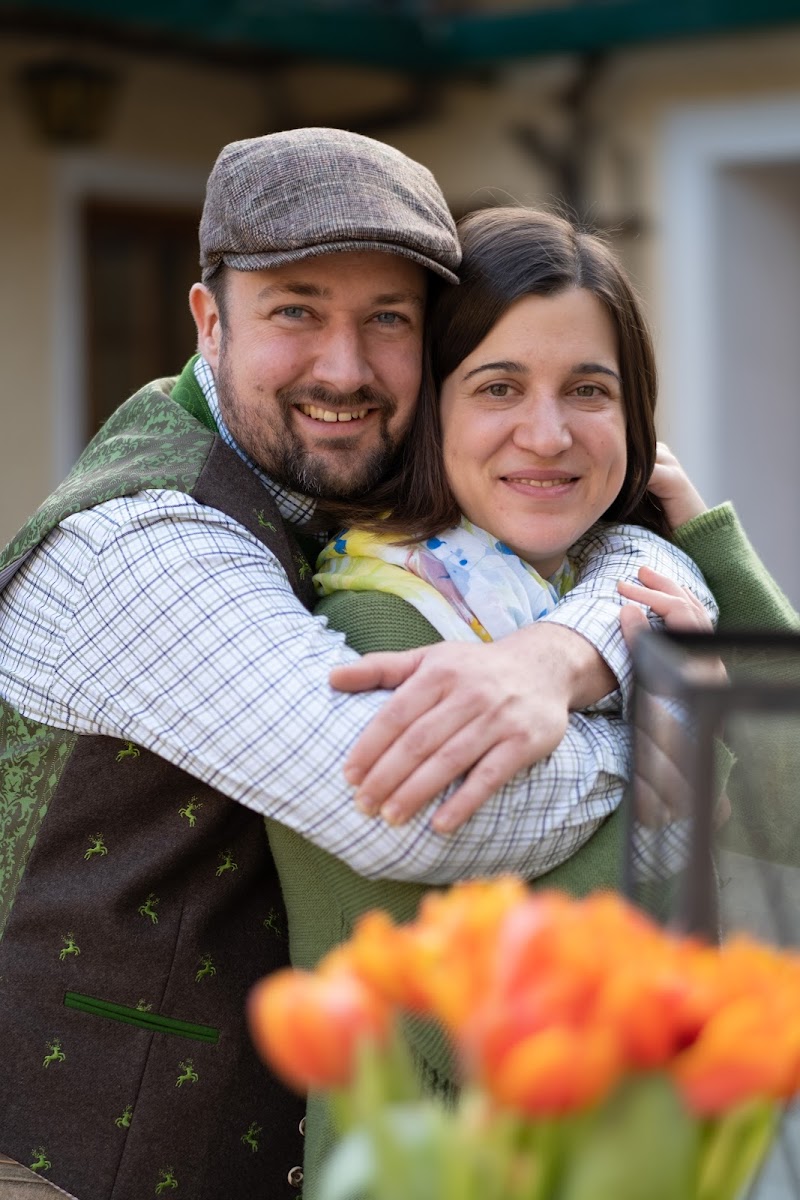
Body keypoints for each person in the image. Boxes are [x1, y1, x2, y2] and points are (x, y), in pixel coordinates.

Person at [0, 129, 719, 1200]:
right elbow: (405, 805)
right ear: (210, 321)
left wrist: (569, 650)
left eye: (386, 320)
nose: (343, 370)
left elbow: (637, 517)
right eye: (296, 312)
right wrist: (664, 735)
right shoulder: (146, 545)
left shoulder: (350, 494)